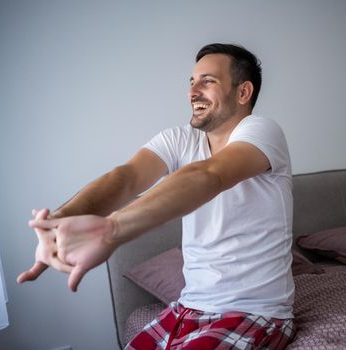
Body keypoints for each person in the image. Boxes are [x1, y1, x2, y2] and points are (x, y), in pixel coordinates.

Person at [17, 43, 296, 350]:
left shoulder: (262, 131)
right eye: (191, 82)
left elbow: (210, 175)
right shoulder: (178, 139)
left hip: (255, 313)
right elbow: (126, 178)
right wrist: (58, 221)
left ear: (243, 93)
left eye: (208, 81)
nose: (192, 92)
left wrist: (112, 230)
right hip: (188, 307)